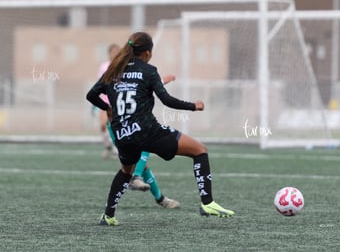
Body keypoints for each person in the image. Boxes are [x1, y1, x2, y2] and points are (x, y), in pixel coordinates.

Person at [86, 31, 234, 226]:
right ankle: (207, 203)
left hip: (122, 133)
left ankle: (108, 216)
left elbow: (91, 95)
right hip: (147, 131)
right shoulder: (148, 70)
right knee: (200, 150)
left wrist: (107, 108)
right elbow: (167, 100)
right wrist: (194, 106)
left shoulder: (113, 71)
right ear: (147, 53)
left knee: (126, 171)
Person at [97, 45, 180, 209]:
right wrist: (105, 109)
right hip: (118, 127)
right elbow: (108, 94)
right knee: (140, 154)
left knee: (141, 162)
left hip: (128, 123)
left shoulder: (125, 72)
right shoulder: (111, 73)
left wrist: (161, 81)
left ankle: (159, 198)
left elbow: (137, 88)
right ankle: (137, 181)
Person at [96, 44, 120, 159]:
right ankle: (107, 146)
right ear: (109, 53)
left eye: (117, 51)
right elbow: (100, 83)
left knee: (115, 125)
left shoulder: (122, 66)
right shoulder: (104, 66)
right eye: (113, 51)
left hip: (117, 100)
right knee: (102, 125)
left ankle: (117, 149)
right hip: (105, 100)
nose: (115, 53)